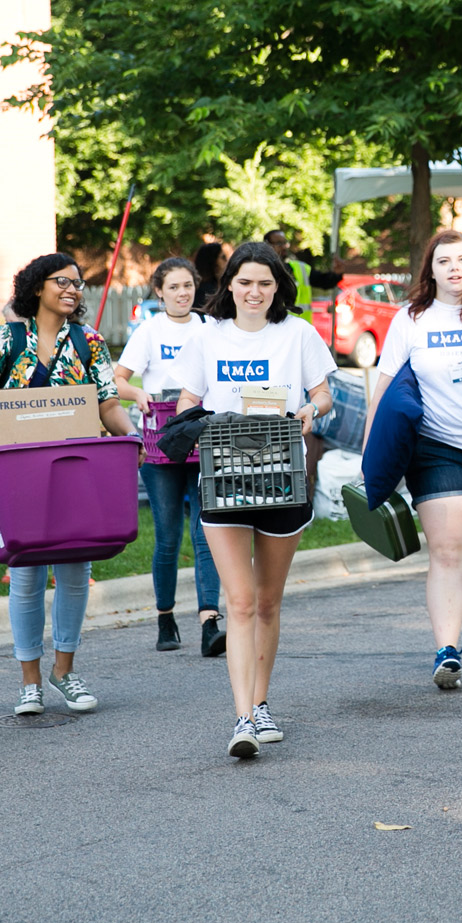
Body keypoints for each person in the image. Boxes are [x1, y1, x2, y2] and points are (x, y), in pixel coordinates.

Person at [172, 241, 336, 758]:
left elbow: (324, 393)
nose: (255, 291)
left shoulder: (298, 334)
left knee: (267, 601)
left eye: (265, 282)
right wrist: (195, 425)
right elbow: (188, 402)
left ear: (278, 287)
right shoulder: (207, 337)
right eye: (245, 281)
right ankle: (243, 718)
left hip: (283, 477)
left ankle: (262, 704)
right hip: (224, 478)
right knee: (238, 601)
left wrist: (312, 409)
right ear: (230, 286)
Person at [0, 254, 136, 717]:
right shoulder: (6, 338)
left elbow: (108, 402)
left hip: (77, 467)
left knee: (76, 573)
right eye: (63, 281)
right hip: (19, 471)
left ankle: (65, 672)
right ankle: (29, 682)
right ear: (37, 287)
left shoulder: (90, 342)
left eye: (78, 284)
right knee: (27, 574)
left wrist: (128, 435)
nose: (73, 289)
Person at [366, 230, 462, 691]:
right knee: (449, 549)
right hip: (435, 447)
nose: (454, 268)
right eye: (444, 260)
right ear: (429, 268)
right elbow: (384, 387)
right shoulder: (411, 319)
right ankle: (447, 650)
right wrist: (372, 451)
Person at [115, 257, 223, 655]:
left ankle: (210, 621)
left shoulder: (210, 328)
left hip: (203, 436)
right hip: (161, 440)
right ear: (159, 291)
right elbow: (119, 379)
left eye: (188, 286)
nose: (183, 294)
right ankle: (165, 617)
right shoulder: (149, 331)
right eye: (174, 287)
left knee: (207, 530)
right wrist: (139, 394)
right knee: (167, 536)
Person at [191, 242, 225, 313]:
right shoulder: (206, 291)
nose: (227, 261)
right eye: (223, 258)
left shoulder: (216, 285)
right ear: (213, 261)